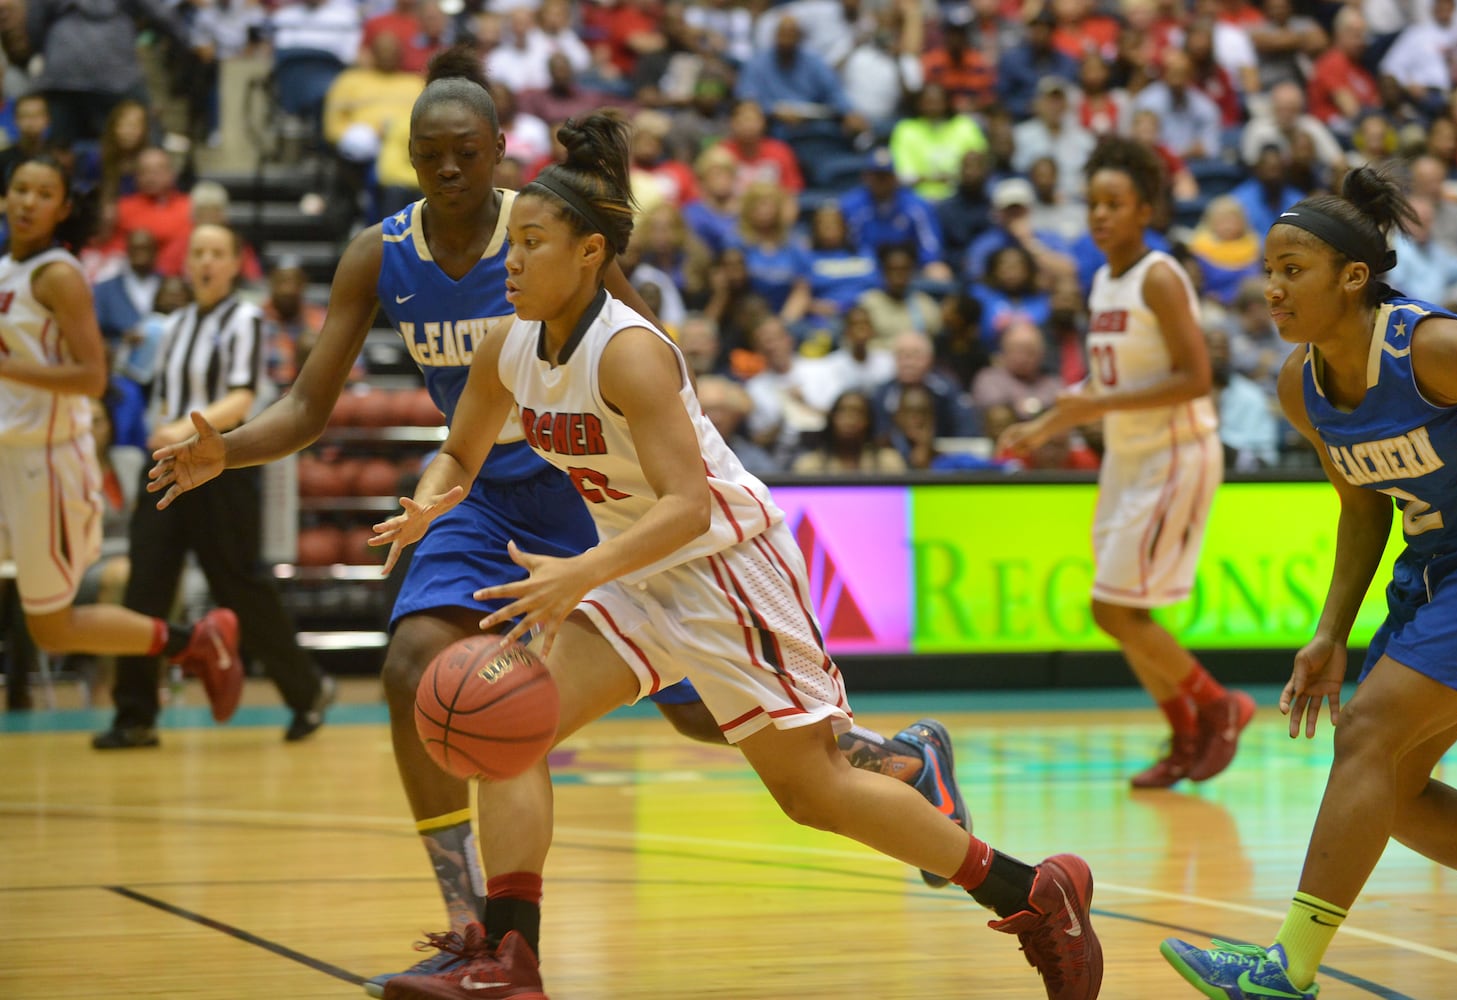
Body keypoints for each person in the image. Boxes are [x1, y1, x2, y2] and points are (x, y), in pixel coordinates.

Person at [145, 49, 972, 996]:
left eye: (466, 151)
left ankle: (904, 764)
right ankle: (479, 929)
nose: (449, 169)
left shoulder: (548, 223)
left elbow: (644, 352)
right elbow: (307, 406)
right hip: (476, 490)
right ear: (409, 161)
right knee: (421, 668)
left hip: (593, 490)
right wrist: (230, 448)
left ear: (501, 152)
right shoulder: (382, 253)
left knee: (716, 718)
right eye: (429, 154)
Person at [365, 109, 1102, 1000]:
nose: (508, 262)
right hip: (631, 570)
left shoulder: (631, 354)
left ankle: (1035, 894)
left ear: (589, 253)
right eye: (507, 246)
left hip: (724, 569)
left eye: (529, 243)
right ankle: (509, 958)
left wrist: (577, 575)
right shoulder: (507, 349)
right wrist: (430, 499)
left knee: (812, 792)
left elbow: (688, 507)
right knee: (509, 730)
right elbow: (462, 447)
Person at [1162, 165, 1457, 999]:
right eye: (1267, 271)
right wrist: (1328, 630)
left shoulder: (1435, 347)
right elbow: (1362, 511)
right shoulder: (1300, 384)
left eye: (1292, 270)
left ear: (1352, 277)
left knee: (1363, 731)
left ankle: (1285, 970)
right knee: (1394, 793)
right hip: (1436, 568)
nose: (1271, 287)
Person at [1002, 136, 1255, 789]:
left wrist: (1094, 405)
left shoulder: (1160, 275)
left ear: (1145, 208)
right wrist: (1044, 424)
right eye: (1092, 203)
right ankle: (1185, 733)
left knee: (1115, 612)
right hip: (1127, 456)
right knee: (1118, 611)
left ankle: (1217, 705)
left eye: (1114, 202)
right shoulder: (1102, 280)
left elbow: (1196, 377)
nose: (1100, 214)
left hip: (1175, 452)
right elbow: (1100, 380)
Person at [0, 153, 240, 743]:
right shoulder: (7, 267)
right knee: (51, 629)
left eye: (43, 192)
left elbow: (92, 376)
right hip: (11, 457)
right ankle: (192, 640)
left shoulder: (57, 273)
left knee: (52, 630)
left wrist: (10, 369)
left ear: (63, 208)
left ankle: (193, 640)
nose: (28, 201)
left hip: (48, 463)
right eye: (19, 189)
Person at [98, 221, 332, 749]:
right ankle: (134, 715)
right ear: (188, 263)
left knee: (240, 586)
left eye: (216, 253)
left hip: (219, 470)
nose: (205, 261)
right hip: (166, 469)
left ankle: (307, 692)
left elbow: (242, 398)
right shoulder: (173, 324)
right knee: (145, 587)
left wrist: (183, 429)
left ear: (234, 263)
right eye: (198, 252)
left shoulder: (246, 317)